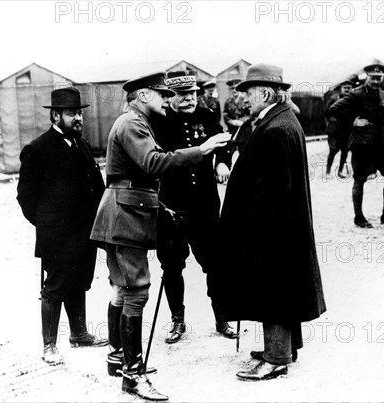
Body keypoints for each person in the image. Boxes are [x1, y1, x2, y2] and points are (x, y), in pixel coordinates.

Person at [90, 72, 230, 400]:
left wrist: (163, 208)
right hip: (125, 215)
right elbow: (153, 163)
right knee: (136, 290)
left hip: (127, 212)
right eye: (161, 94)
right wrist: (203, 149)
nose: (168, 99)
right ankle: (133, 375)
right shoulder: (132, 124)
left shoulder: (135, 122)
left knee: (124, 289)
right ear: (142, 95)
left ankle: (120, 359)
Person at [217, 63, 326, 381]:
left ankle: (276, 357)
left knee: (274, 287)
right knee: (280, 287)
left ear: (265, 93)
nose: (245, 101)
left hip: (272, 228)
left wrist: (249, 224)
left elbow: (273, 193)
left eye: (248, 94)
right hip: (282, 226)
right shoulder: (281, 120)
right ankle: (282, 348)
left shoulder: (276, 129)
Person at [16, 87, 108, 367]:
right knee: (54, 287)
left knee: (79, 281)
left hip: (85, 231)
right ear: (55, 115)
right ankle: (49, 346)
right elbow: (26, 197)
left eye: (79, 113)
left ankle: (79, 334)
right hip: (57, 234)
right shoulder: (37, 149)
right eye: (71, 113)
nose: (78, 118)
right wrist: (47, 224)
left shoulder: (81, 144)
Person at [149, 70, 236, 345]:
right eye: (182, 94)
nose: (189, 98)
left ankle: (222, 317)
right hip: (172, 207)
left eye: (193, 93)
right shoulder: (158, 121)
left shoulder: (207, 115)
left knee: (216, 263)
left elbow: (223, 141)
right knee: (172, 267)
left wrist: (223, 161)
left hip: (205, 204)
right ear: (169, 96)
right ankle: (177, 320)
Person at [329, 63, 384, 228]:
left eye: (379, 78)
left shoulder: (383, 94)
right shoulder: (356, 94)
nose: (376, 81)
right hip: (362, 143)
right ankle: (359, 216)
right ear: (366, 77)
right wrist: (353, 120)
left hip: (381, 143)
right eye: (373, 78)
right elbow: (334, 109)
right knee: (360, 178)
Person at [324, 80, 354, 178]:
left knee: (345, 151)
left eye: (349, 88)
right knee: (333, 150)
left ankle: (340, 171)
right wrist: (332, 121)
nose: (347, 90)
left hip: (347, 129)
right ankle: (328, 172)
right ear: (341, 88)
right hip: (335, 130)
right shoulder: (334, 98)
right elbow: (326, 112)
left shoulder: (352, 99)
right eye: (345, 88)